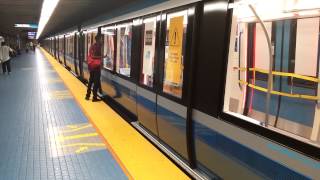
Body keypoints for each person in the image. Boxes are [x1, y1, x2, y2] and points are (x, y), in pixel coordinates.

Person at [85, 34, 105, 102]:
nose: (102, 40)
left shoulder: (92, 46)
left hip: (91, 66)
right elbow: (93, 56)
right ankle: (94, 97)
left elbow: (91, 56)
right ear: (98, 39)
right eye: (101, 39)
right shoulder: (98, 47)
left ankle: (87, 95)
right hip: (96, 67)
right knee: (96, 82)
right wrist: (102, 57)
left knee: (90, 81)